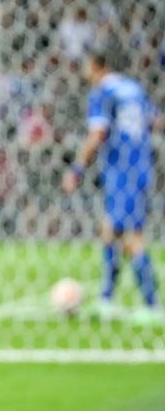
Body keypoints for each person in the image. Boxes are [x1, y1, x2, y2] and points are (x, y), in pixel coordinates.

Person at [61, 50, 161, 324]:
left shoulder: (103, 93)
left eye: (86, 66)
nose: (84, 72)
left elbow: (97, 134)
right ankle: (106, 300)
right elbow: (156, 120)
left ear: (97, 65)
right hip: (140, 166)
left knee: (131, 236)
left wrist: (77, 169)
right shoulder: (134, 89)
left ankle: (153, 305)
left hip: (121, 170)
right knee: (109, 231)